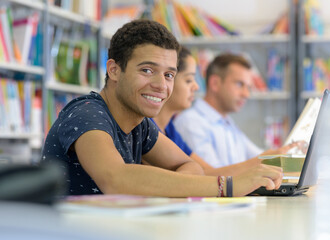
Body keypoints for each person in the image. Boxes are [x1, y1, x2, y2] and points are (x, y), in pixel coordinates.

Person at [41, 19, 283, 197]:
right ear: (114, 70)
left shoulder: (141, 125)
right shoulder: (86, 113)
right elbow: (116, 179)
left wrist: (168, 185)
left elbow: (191, 167)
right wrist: (226, 186)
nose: (160, 85)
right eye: (147, 70)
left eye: (169, 75)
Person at [152, 47, 298, 176]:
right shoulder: (188, 122)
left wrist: (278, 157)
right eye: (189, 80)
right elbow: (210, 177)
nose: (246, 94)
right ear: (215, 83)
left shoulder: (172, 128)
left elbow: (204, 172)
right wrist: (264, 162)